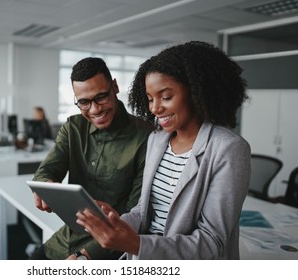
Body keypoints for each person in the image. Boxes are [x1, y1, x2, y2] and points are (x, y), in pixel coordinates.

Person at [76, 41, 251, 260]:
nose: (154, 108)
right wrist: (115, 222)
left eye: (166, 97)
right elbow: (143, 211)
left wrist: (138, 244)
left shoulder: (229, 149)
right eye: (150, 99)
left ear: (196, 92)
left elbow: (211, 243)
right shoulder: (157, 140)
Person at [30, 57, 152, 260]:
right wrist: (44, 185)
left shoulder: (146, 137)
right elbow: (46, 171)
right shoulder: (73, 128)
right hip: (69, 237)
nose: (95, 110)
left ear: (115, 86)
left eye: (102, 97)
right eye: (84, 102)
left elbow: (135, 214)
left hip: (112, 246)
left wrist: (86, 255)